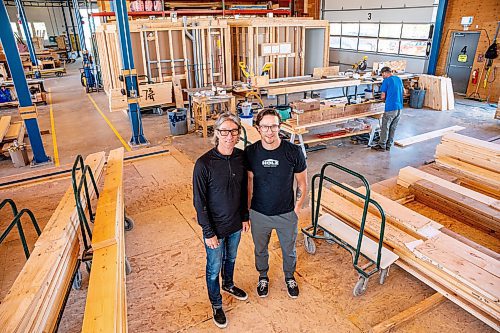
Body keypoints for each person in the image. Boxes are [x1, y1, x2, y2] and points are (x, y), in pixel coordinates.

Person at [193, 113, 250, 329]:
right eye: (224, 132)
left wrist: (244, 217)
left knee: (232, 258)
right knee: (213, 267)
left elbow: (244, 190)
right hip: (214, 229)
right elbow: (199, 202)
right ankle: (216, 304)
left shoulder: (241, 158)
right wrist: (208, 232)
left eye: (233, 132)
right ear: (216, 133)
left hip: (235, 224)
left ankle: (228, 284)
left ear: (238, 134)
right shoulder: (203, 164)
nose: (229, 136)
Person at [245, 108, 307, 299]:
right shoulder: (250, 152)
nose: (269, 131)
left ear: (280, 127)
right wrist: (247, 212)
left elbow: (302, 183)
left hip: (286, 214)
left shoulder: (294, 151)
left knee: (289, 251)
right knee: (260, 249)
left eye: (273, 126)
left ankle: (289, 277)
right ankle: (263, 276)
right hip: (259, 213)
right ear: (258, 128)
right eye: (265, 127)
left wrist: (296, 209)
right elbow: (248, 183)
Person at [372, 66, 404, 151]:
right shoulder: (398, 79)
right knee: (393, 128)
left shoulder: (386, 80)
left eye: (382, 74)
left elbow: (383, 96)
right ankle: (388, 145)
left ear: (385, 73)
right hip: (399, 108)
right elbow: (403, 92)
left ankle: (382, 145)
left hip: (390, 107)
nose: (382, 76)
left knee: (385, 127)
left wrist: (381, 99)